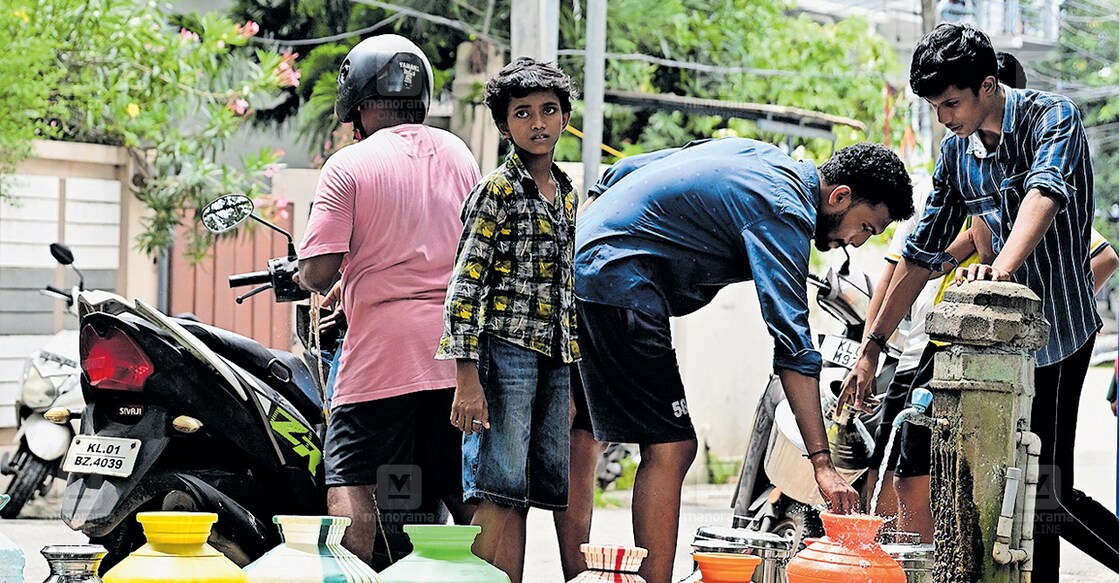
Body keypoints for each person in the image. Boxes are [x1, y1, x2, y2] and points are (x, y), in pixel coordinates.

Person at [567, 138, 914, 583]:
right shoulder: (785, 211)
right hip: (621, 281)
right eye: (866, 227)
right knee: (672, 447)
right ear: (839, 197)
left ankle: (577, 577)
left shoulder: (760, 155)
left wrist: (591, 232)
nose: (855, 241)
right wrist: (823, 465)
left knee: (584, 436)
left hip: (586, 262)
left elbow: (622, 170)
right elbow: (792, 344)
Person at [840, 23, 1119, 577]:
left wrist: (1000, 271)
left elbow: (1044, 194)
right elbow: (918, 256)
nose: (945, 118)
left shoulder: (1051, 118)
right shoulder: (956, 155)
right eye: (935, 107)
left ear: (988, 85)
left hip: (1059, 334)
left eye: (951, 103)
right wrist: (871, 347)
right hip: (995, 351)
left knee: (1046, 496)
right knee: (1014, 497)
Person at [296, 34, 480, 569]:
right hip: (454, 357)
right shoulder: (458, 153)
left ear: (355, 102)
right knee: (463, 491)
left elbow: (316, 270)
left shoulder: (348, 165)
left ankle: (355, 576)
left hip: (379, 358)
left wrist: (334, 270)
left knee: (350, 476)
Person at [435, 57, 578, 583]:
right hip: (503, 354)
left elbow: (566, 288)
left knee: (526, 489)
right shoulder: (496, 190)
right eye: (523, 113)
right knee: (497, 485)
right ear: (503, 125)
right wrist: (466, 378)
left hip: (552, 357)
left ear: (564, 118)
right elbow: (465, 285)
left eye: (548, 110)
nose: (537, 123)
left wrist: (568, 378)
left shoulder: (565, 192)